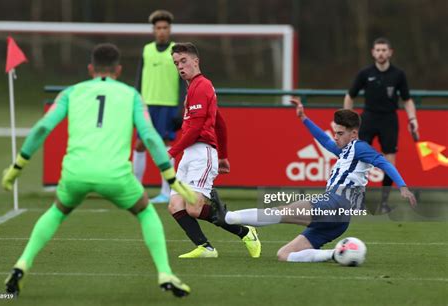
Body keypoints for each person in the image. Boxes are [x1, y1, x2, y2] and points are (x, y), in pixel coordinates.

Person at [1, 43, 195, 298]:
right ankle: (164, 272)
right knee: (146, 211)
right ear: (119, 69)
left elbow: (41, 128)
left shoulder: (71, 92)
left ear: (91, 68)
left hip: (75, 173)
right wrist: (170, 177)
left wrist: (17, 167)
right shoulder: (132, 96)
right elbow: (148, 136)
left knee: (58, 211)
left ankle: (21, 264)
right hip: (116, 175)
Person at [210, 98, 416, 263]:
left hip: (336, 204)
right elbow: (325, 140)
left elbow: (385, 163)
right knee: (285, 255)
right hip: (339, 220)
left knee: (282, 212)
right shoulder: (345, 150)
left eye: (340, 133)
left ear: (354, 133)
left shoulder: (359, 147)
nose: (335, 137)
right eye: (336, 132)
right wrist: (304, 119)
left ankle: (227, 217)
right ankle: (336, 255)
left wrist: (403, 186)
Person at [167, 42, 261, 259]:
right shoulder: (194, 88)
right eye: (176, 63)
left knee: (193, 208)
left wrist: (172, 152)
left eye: (183, 61)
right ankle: (206, 248)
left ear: (195, 61)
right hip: (190, 154)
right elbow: (220, 123)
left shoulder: (202, 86)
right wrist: (225, 156)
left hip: (201, 153)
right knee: (175, 205)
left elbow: (198, 128)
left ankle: (245, 231)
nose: (180, 67)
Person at [343, 37, 419, 213]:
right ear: (373, 52)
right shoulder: (365, 73)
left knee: (389, 161)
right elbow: (350, 96)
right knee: (359, 160)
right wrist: (346, 121)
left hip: (389, 120)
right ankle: (357, 202)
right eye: (378, 50)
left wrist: (412, 119)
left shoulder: (398, 74)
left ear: (390, 52)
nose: (381, 53)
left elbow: (407, 100)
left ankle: (383, 203)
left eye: (384, 50)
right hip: (368, 118)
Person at [133, 10, 186, 204]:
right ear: (153, 30)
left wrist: (181, 106)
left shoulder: (177, 51)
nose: (162, 31)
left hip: (168, 106)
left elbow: (183, 81)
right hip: (146, 106)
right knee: (140, 145)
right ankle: (136, 189)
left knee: (166, 148)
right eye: (158, 28)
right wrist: (135, 101)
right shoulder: (147, 50)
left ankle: (166, 192)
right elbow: (139, 78)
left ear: (169, 29)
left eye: (165, 28)